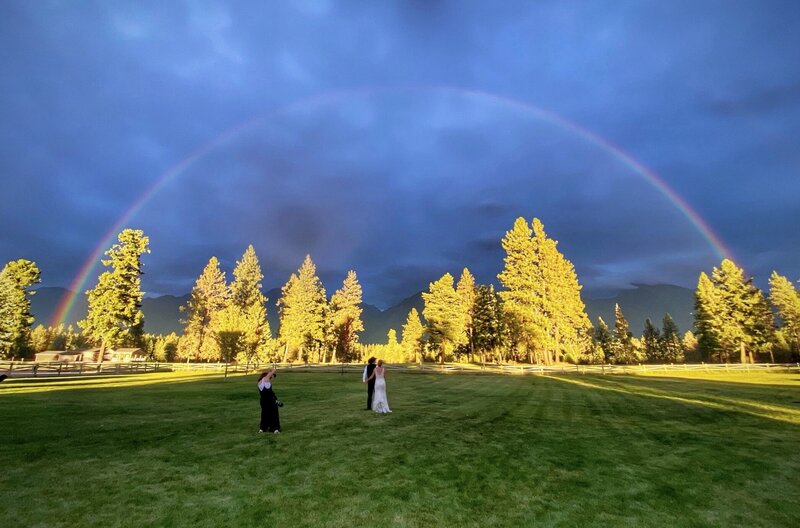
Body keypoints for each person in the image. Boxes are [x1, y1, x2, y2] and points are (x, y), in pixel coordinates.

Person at [257, 369, 281, 433]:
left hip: (263, 401)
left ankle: (262, 429)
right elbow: (267, 377)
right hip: (269, 401)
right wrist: (273, 370)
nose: (271, 379)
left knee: (264, 414)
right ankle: (275, 429)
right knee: (274, 414)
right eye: (271, 377)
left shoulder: (259, 383)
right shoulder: (265, 381)